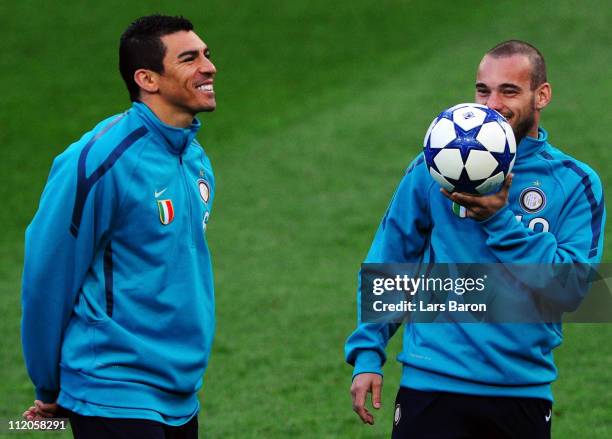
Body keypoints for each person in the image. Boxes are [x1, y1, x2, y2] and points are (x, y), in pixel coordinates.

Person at [345, 40, 606, 438]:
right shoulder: (435, 168)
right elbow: (391, 259)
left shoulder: (575, 182)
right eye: (483, 90)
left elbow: (572, 290)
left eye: (509, 91)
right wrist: (367, 352)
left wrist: (499, 220)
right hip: (431, 385)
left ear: (542, 95)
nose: (492, 104)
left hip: (522, 391)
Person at [21, 14, 217, 438]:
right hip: (111, 384)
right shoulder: (99, 161)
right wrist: (47, 383)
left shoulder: (194, 157)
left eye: (206, 54)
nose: (208, 66)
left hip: (180, 390)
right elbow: (47, 273)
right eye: (189, 58)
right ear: (147, 78)